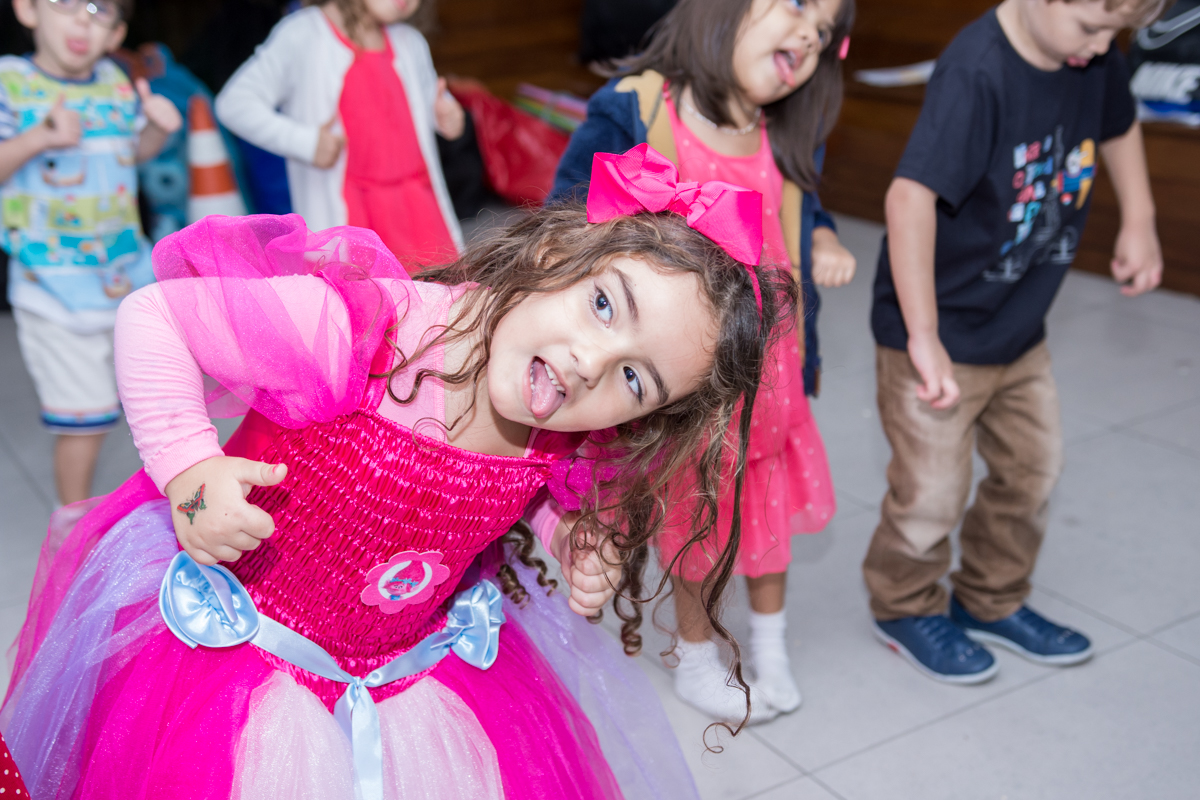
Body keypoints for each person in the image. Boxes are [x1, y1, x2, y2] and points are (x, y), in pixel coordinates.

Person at [0, 144, 794, 799]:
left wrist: (573, 539)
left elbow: (529, 495)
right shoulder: (369, 333)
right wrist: (190, 467)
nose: (593, 362)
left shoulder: (567, 433)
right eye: (604, 306)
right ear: (556, 256)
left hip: (403, 668)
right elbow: (158, 317)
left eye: (634, 378)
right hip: (239, 649)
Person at [552, 0, 855, 723]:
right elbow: (567, 214)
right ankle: (694, 656)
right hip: (694, 378)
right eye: (799, 6)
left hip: (772, 369)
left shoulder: (783, 128)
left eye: (824, 34)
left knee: (766, 506)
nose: (810, 35)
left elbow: (800, 212)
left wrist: (823, 239)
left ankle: (771, 646)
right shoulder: (640, 108)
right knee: (699, 516)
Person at [867, 0, 1167, 684]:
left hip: (1019, 327)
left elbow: (1119, 125)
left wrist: (1141, 218)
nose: (1102, 47)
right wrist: (923, 335)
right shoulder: (977, 71)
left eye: (1115, 34)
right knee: (931, 493)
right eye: (1091, 28)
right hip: (936, 334)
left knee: (1033, 471)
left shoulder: (1090, 54)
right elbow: (909, 198)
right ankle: (903, 605)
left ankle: (990, 598)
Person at [0, 0, 181, 505]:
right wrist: (39, 137)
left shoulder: (115, 83)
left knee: (161, 406)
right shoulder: (10, 82)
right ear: (27, 9)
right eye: (66, 3)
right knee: (86, 417)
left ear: (116, 33)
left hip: (127, 276)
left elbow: (129, 152)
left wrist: (156, 130)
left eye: (100, 10)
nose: (83, 19)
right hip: (51, 286)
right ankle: (73, 525)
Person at [215, 0, 464, 265]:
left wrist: (447, 116)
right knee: (364, 288)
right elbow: (234, 104)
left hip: (420, 212)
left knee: (436, 284)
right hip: (352, 220)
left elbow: (430, 101)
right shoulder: (301, 34)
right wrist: (307, 143)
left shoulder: (410, 42)